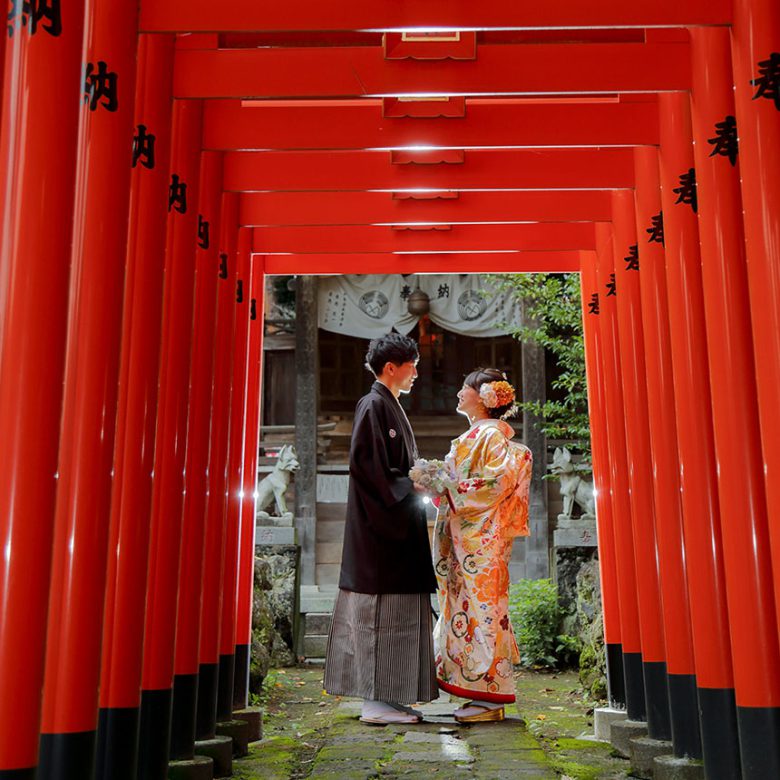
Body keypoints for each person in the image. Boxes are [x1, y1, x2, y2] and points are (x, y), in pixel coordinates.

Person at [323, 332, 438, 725]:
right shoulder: (373, 405)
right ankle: (373, 700)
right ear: (392, 367)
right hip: (378, 534)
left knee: (396, 616)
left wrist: (416, 479)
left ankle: (388, 696)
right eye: (413, 365)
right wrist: (412, 484)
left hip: (396, 528)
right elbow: (370, 470)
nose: (417, 373)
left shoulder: (388, 405)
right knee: (378, 617)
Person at [430, 368, 532, 723]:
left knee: (485, 612)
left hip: (482, 541)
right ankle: (475, 686)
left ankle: (492, 694)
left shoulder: (490, 437)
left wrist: (450, 489)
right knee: (467, 611)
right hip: (468, 536)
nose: (458, 392)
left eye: (465, 388)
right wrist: (441, 487)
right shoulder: (477, 435)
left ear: (487, 397)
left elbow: (497, 482)